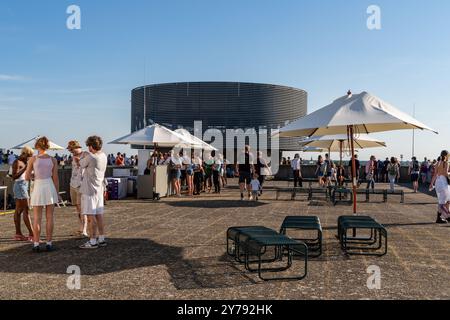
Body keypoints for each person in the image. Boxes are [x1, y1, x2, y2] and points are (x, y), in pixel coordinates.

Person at [25, 137, 60, 252]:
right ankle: (49, 243)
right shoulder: (53, 160)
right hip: (49, 186)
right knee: (50, 217)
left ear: (37, 146)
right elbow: (55, 178)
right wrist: (57, 193)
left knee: (37, 218)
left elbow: (26, 177)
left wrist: (34, 175)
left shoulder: (33, 159)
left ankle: (36, 244)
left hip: (38, 186)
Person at [78, 136, 108, 249]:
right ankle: (101, 238)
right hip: (99, 189)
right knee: (99, 215)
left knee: (91, 217)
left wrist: (82, 156)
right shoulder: (104, 156)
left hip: (89, 190)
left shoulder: (91, 157)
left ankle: (92, 241)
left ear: (91, 146)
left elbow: (80, 163)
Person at [11, 147, 34, 241]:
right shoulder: (17, 162)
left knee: (18, 211)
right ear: (24, 154)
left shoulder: (23, 162)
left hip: (22, 186)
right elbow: (14, 176)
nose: (29, 158)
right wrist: (25, 168)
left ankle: (18, 234)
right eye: (29, 156)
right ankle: (32, 235)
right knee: (26, 210)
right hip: (20, 186)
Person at [67, 140, 88, 238]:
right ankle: (80, 228)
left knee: (82, 209)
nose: (71, 151)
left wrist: (78, 161)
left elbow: (87, 167)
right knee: (77, 208)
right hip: (73, 184)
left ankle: (84, 230)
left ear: (76, 147)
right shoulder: (73, 157)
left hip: (81, 185)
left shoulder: (86, 155)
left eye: (71, 149)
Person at [429, 150, 450, 224]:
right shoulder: (446, 163)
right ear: (447, 156)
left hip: (438, 182)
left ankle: (440, 218)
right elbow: (445, 173)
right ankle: (447, 216)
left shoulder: (438, 163)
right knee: (444, 201)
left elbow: (435, 174)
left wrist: (431, 183)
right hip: (443, 182)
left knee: (445, 200)